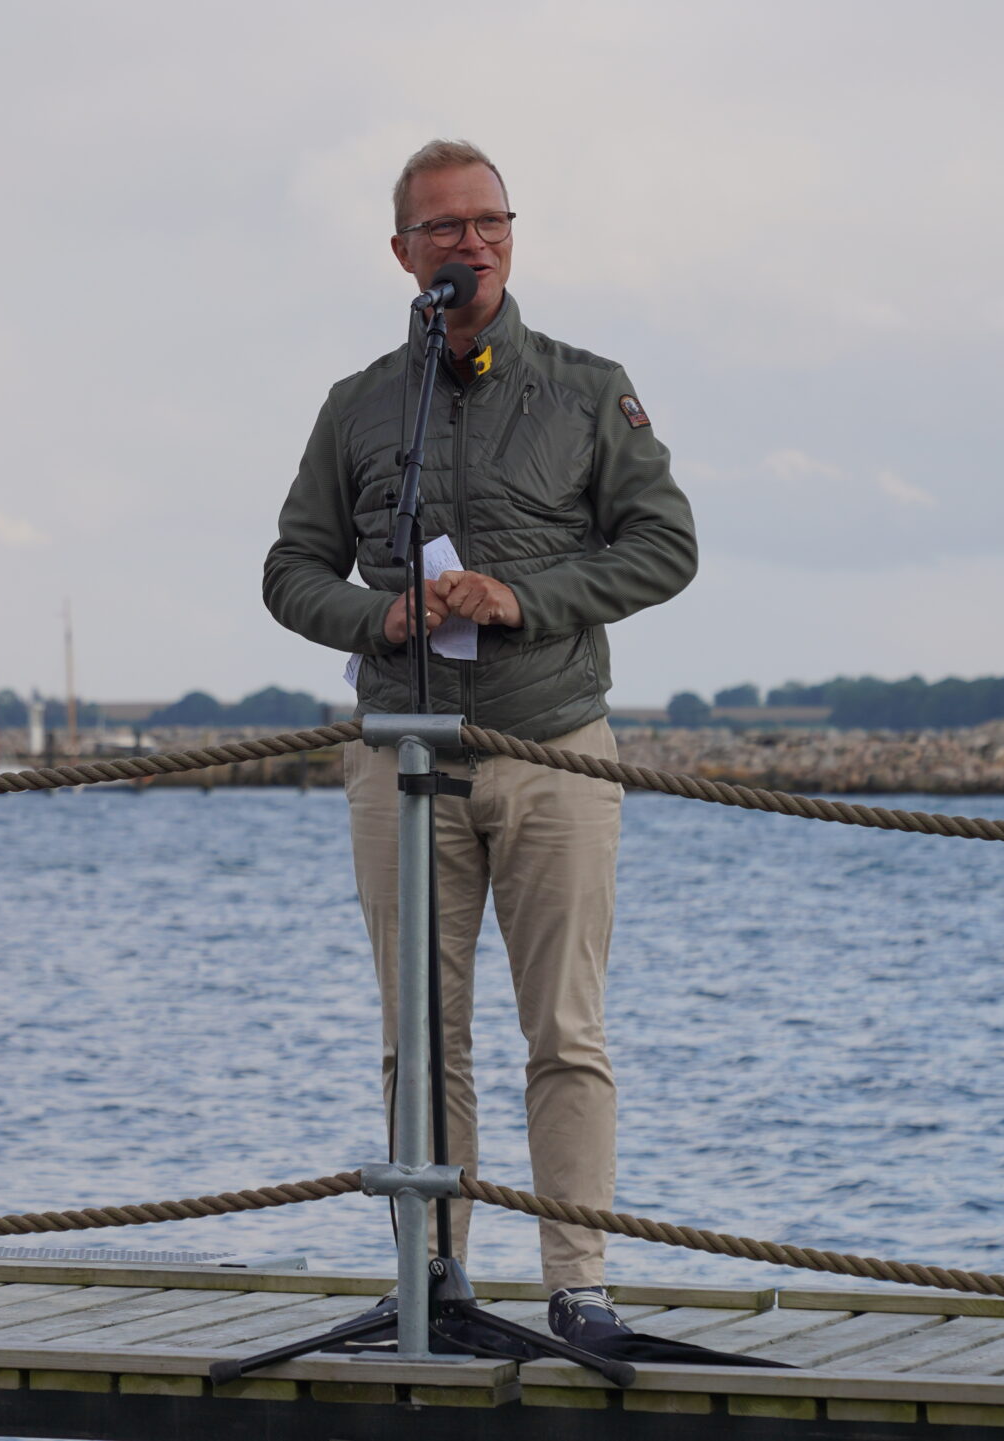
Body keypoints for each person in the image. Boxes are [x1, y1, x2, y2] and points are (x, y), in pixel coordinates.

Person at [262, 139, 698, 1346]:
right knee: (418, 1036)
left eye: (489, 222)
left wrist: (523, 598)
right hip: (399, 759)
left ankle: (579, 1285)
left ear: (513, 235)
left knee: (563, 1028)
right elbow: (288, 569)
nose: (471, 243)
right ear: (402, 254)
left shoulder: (585, 385)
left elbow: (665, 546)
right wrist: (374, 614)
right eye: (445, 228)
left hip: (554, 750)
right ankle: (436, 1281)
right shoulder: (358, 407)